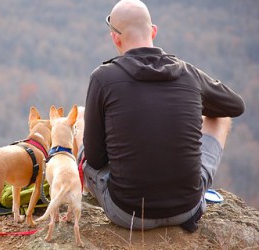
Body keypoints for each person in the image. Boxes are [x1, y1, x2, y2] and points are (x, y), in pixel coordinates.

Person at [82, 0, 245, 232]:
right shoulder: (189, 73)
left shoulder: (102, 78)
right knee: (220, 116)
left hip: (127, 212)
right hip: (187, 208)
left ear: (115, 38)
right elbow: (235, 106)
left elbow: (96, 160)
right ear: (154, 31)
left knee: (82, 123)